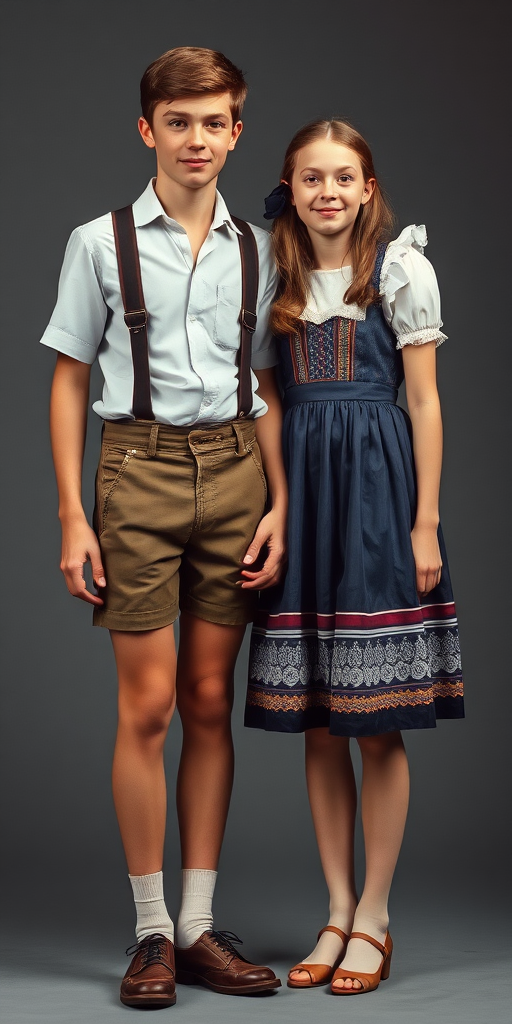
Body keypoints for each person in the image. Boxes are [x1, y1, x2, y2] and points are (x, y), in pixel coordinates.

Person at [41, 46, 287, 1009]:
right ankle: (149, 930)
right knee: (147, 709)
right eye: (177, 121)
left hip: (234, 473)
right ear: (149, 130)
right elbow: (68, 376)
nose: (196, 138)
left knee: (212, 701)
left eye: (214, 120)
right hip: (134, 474)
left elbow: (262, 383)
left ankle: (196, 926)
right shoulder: (99, 242)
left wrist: (281, 499)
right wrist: (74, 512)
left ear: (236, 130)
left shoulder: (257, 248)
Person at [244, 119, 464, 995]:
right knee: (324, 718)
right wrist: (279, 498)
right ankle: (335, 908)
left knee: (376, 720)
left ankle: (375, 914)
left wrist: (424, 522)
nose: (327, 192)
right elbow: (264, 392)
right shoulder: (276, 275)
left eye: (343, 178)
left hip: (378, 491)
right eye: (310, 179)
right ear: (291, 190)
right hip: (304, 485)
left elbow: (425, 403)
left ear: (367, 188)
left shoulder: (402, 267)